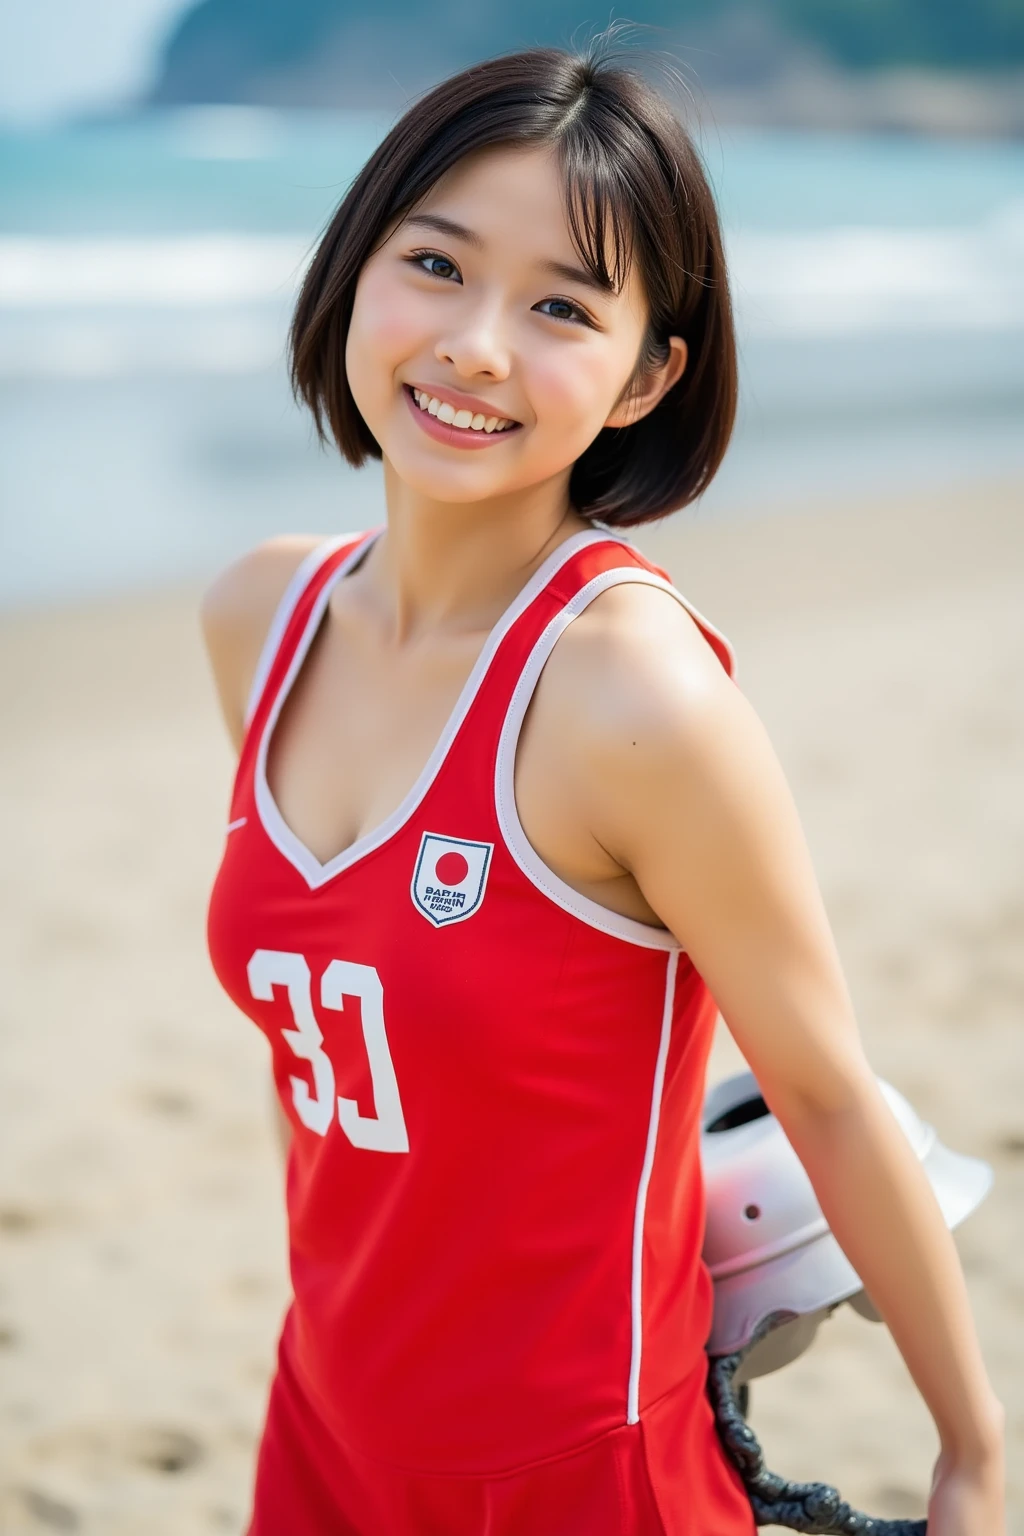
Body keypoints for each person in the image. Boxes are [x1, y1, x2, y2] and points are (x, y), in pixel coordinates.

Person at [200, 42, 1005, 1536]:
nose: (476, 346)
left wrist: (973, 1454)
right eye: (436, 264)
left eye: (562, 307)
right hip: (321, 1424)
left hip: (582, 1468)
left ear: (649, 375)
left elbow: (826, 1092)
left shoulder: (636, 698)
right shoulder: (261, 618)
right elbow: (326, 1068)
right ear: (356, 266)